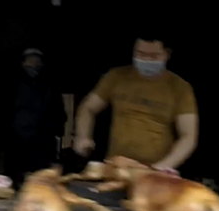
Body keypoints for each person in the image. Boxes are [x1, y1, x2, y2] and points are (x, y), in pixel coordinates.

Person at [73, 29, 198, 173]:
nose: (147, 60)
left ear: (167, 54)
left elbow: (188, 136)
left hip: (156, 171)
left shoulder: (180, 88)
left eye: (154, 56)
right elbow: (88, 107)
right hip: (115, 166)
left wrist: (162, 167)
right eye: (141, 54)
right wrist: (83, 136)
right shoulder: (116, 77)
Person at [3, 48, 67, 189]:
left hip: (43, 131)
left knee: (41, 166)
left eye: (37, 59)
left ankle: (38, 190)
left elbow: (57, 105)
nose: (34, 62)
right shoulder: (12, 80)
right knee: (16, 164)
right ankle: (15, 188)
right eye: (31, 59)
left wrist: (59, 126)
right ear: (23, 61)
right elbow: (5, 105)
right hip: (18, 130)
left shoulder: (49, 81)